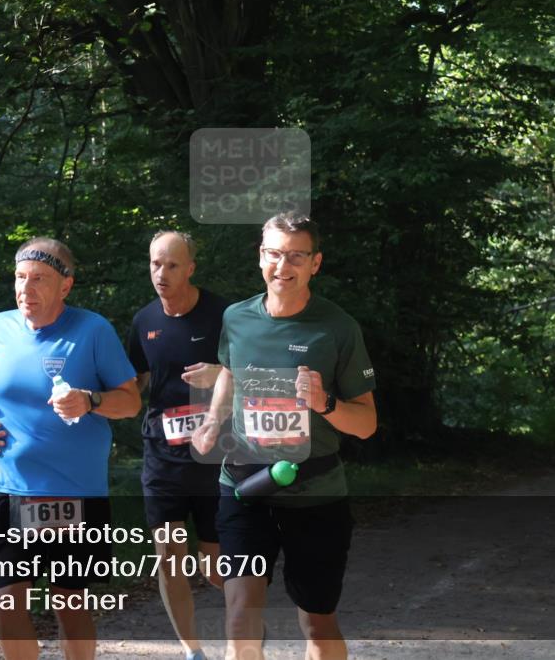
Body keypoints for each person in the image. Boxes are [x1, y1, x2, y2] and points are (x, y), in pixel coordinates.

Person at [192, 214, 377, 660]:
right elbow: (230, 372)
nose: (283, 265)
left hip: (315, 493)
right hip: (244, 486)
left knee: (317, 622)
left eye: (296, 256)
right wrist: (213, 421)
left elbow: (367, 424)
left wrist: (324, 402)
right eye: (274, 254)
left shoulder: (338, 328)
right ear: (261, 257)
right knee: (240, 614)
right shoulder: (237, 317)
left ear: (315, 263)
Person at [0, 237, 141, 660]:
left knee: (69, 601)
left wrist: (90, 400)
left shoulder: (92, 330)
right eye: (20, 277)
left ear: (66, 285)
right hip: (9, 487)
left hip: (72, 494)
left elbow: (131, 401)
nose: (25, 289)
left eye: (39, 279)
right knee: (6, 599)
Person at [127, 231, 230, 660]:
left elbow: (253, 370)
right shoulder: (144, 321)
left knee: (214, 567)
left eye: (172, 265)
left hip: (215, 454)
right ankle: (193, 651)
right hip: (162, 455)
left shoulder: (222, 314)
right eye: (155, 264)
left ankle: (243, 628)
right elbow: (133, 384)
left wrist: (220, 373)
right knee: (169, 557)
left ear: (190, 268)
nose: (162, 273)